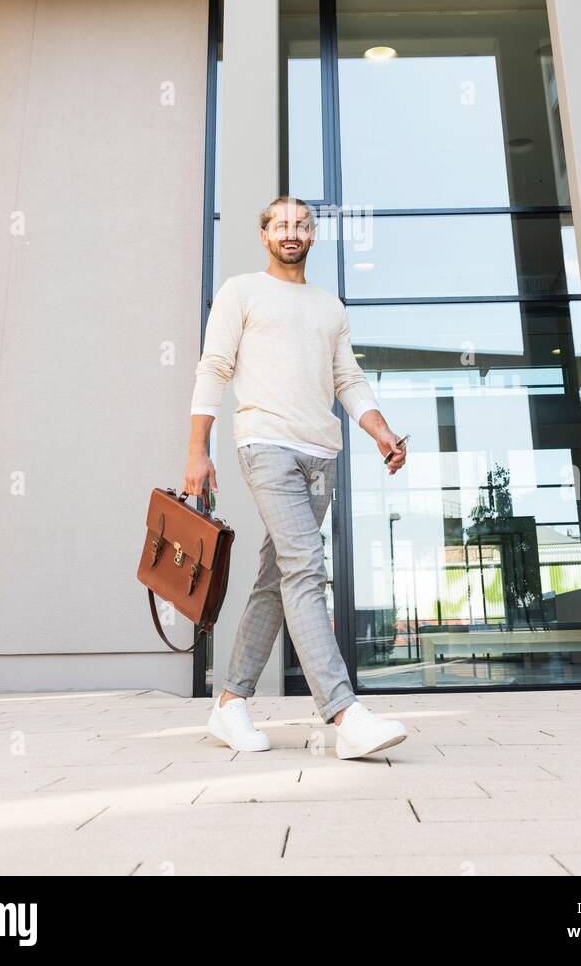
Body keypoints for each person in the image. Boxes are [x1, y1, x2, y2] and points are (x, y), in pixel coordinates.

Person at [184, 195, 409, 759]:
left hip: (321, 455)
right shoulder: (241, 292)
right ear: (264, 234)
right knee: (307, 568)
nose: (292, 231)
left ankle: (229, 705)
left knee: (275, 579)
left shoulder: (328, 306)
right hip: (265, 445)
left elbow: (347, 378)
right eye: (281, 224)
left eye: (302, 225)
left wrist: (379, 430)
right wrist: (196, 451)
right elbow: (214, 368)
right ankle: (343, 713)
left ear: (312, 236)